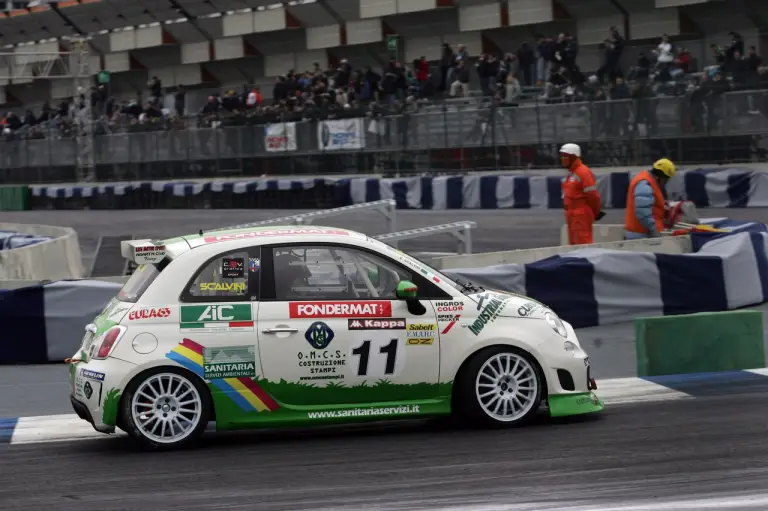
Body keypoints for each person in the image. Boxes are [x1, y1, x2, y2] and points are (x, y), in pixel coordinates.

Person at [560, 143, 603, 245]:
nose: (562, 159)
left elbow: (593, 196)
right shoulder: (572, 173)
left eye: (565, 156)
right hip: (572, 215)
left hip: (580, 215)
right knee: (574, 245)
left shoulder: (583, 172)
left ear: (573, 157)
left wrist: (596, 212)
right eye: (562, 156)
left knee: (583, 245)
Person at [624, 158, 676, 239]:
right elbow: (642, 211)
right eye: (666, 180)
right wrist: (654, 230)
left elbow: (648, 204)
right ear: (660, 176)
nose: (666, 183)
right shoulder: (645, 184)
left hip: (642, 233)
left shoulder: (648, 181)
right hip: (641, 234)